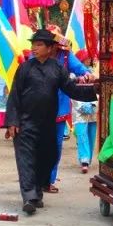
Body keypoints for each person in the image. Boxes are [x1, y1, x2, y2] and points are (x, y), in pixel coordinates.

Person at [5, 29, 97, 215]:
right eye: (33, 45)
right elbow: (14, 96)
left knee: (47, 158)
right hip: (25, 123)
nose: (34, 48)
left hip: (48, 123)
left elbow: (72, 90)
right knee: (26, 160)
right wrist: (12, 121)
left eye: (39, 45)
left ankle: (37, 190)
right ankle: (29, 197)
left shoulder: (57, 68)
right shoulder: (24, 68)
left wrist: (95, 90)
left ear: (49, 48)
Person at [43, 26, 94, 193]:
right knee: (37, 145)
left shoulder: (65, 56)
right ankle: (35, 180)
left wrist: (87, 74)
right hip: (38, 107)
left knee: (56, 145)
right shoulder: (34, 57)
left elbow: (81, 69)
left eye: (54, 43)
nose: (51, 46)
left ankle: (49, 180)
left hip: (59, 107)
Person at [72, 49, 98, 174]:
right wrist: (80, 106)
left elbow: (100, 91)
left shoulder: (95, 73)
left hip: (93, 107)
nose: (89, 60)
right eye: (87, 58)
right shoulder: (72, 76)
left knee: (92, 135)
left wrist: (94, 105)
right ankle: (84, 160)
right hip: (79, 109)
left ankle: (88, 157)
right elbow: (70, 92)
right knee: (81, 134)